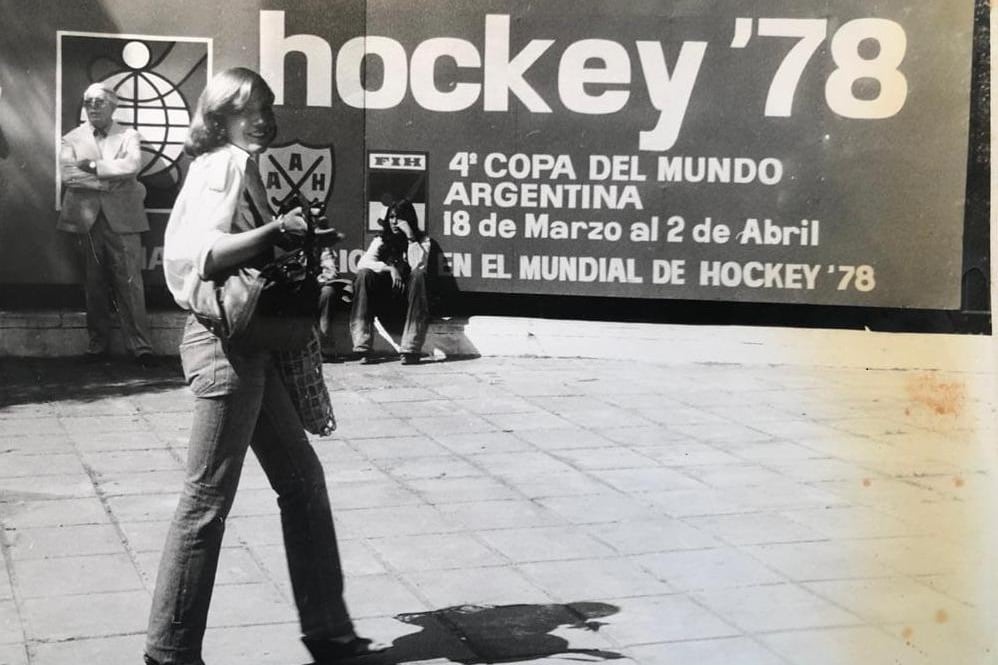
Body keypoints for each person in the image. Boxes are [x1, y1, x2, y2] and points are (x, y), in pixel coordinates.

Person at [150, 67, 384, 665]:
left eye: (266, 106)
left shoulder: (234, 165)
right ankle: (169, 653)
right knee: (206, 503)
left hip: (248, 346)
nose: (260, 117)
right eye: (245, 108)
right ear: (219, 115)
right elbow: (201, 256)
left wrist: (291, 238)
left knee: (303, 483)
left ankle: (329, 631)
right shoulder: (224, 163)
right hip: (223, 349)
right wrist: (278, 229)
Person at [58, 82, 156, 365]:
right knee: (94, 283)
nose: (93, 106)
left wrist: (94, 168)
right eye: (88, 101)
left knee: (130, 282)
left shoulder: (129, 135)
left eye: (99, 101)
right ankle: (97, 345)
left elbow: (131, 166)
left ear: (113, 105)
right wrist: (112, 183)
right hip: (86, 220)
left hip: (124, 218)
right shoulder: (71, 138)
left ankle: (141, 348)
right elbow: (68, 177)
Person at [350, 200, 432, 365]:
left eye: (400, 218)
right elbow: (362, 264)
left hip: (409, 306)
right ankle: (363, 347)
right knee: (364, 274)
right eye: (392, 217)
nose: (395, 222)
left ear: (409, 219)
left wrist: (410, 237)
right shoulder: (382, 240)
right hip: (386, 303)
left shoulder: (422, 241)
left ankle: (410, 349)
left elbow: (419, 265)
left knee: (417, 276)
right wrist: (389, 269)